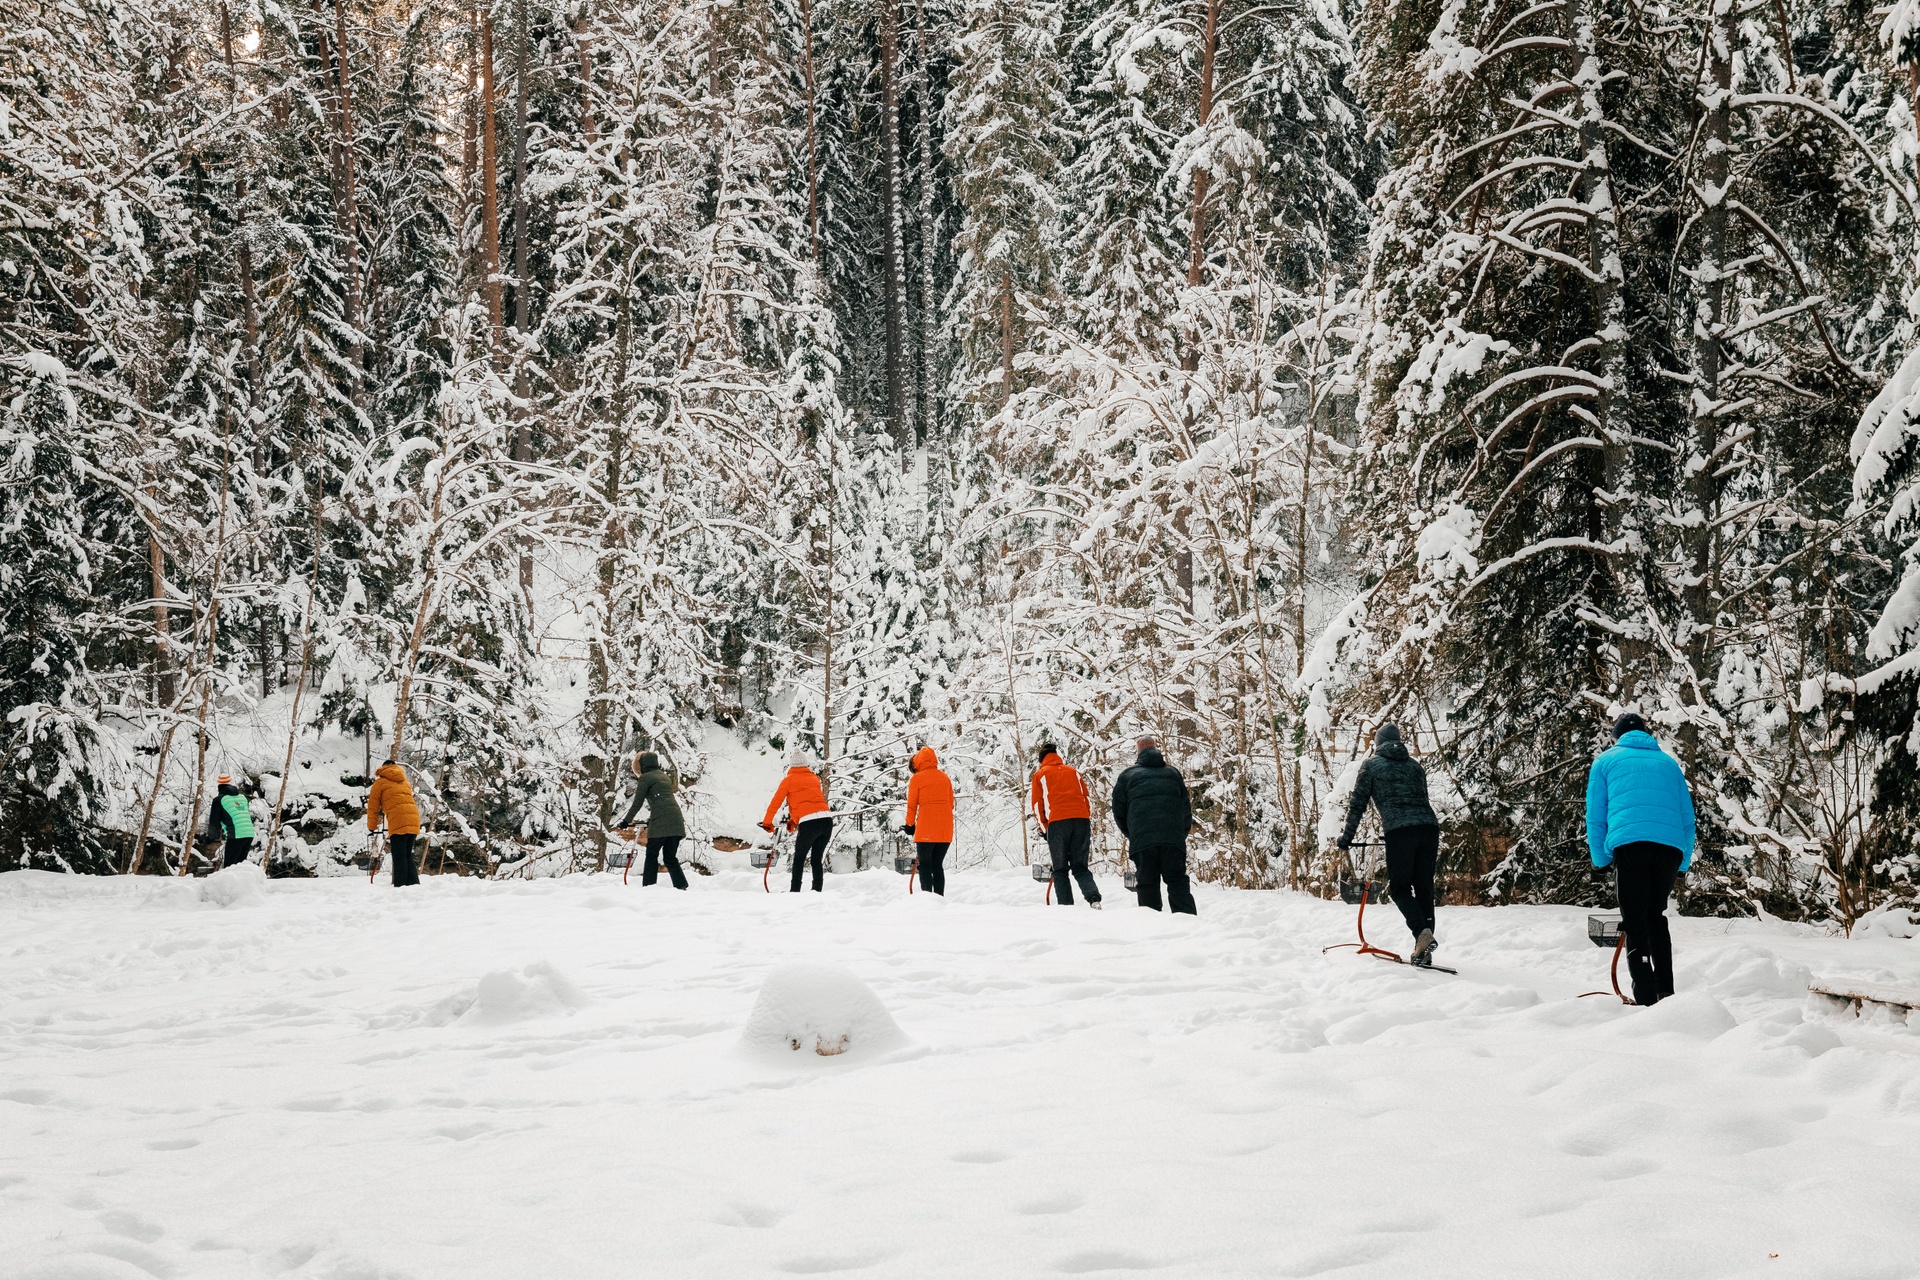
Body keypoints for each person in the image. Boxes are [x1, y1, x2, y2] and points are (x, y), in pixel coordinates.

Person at [1586, 712, 1696, 1006]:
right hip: (1669, 849)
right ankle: (1666, 992)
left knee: (1634, 921)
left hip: (1631, 845)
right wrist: (1682, 863)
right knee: (1655, 917)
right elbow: (1687, 819)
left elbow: (1596, 817)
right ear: (1646, 735)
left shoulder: (1605, 761)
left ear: (1616, 737)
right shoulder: (1669, 764)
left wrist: (1600, 859)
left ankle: (1646, 996)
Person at [1336, 723, 1442, 967]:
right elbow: (1421, 800)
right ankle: (1423, 949)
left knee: (1400, 889)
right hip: (1429, 828)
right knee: (1424, 888)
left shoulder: (1371, 766)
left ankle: (1422, 936)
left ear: (1378, 744)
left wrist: (1347, 838)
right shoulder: (1416, 767)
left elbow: (1357, 805)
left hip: (1400, 831)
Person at [1111, 736, 1195, 915]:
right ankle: (1189, 925)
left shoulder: (1127, 776)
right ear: (1157, 749)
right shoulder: (1173, 773)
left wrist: (1133, 834)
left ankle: (1153, 927)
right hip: (1173, 839)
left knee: (1147, 884)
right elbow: (1186, 809)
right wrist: (1180, 834)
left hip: (1143, 840)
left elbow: (1119, 812)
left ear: (1138, 752)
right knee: (1177, 881)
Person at [1031, 744, 1100, 908]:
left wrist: (1045, 829)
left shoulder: (1040, 775)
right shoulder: (1073, 772)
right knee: (1080, 867)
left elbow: (1036, 806)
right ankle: (1094, 899)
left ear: (1042, 759)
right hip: (1081, 820)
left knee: (1060, 869)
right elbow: (1087, 799)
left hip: (1058, 823)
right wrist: (1084, 817)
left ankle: (1066, 907)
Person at [762, 747, 832, 892]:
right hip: (826, 820)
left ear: (791, 766)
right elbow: (809, 803)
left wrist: (767, 823)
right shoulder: (814, 778)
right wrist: (793, 822)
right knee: (816, 860)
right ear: (806, 764)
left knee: (799, 859)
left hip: (809, 824)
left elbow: (775, 803)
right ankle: (817, 891)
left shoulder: (788, 780)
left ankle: (794, 892)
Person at [617, 751, 689, 889]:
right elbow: (663, 802)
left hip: (662, 821)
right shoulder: (664, 777)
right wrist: (651, 819)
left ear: (641, 765)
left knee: (651, 855)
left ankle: (649, 888)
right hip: (676, 820)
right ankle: (682, 887)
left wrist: (626, 821)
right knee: (670, 857)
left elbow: (637, 803)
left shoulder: (645, 778)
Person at [902, 746, 954, 895]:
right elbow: (951, 804)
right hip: (945, 831)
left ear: (916, 764)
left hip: (926, 831)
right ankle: (939, 898)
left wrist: (909, 825)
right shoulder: (945, 777)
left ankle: (928, 900)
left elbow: (912, 805)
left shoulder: (916, 779)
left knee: (925, 865)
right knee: (937, 865)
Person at [367, 760, 422, 887]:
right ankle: (414, 885)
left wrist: (372, 826)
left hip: (398, 821)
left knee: (399, 857)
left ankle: (400, 886)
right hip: (413, 820)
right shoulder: (404, 781)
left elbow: (373, 807)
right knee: (407, 855)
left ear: (383, 768)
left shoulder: (380, 783)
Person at [203, 774, 255, 868]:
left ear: (219, 785)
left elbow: (214, 822)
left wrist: (210, 838)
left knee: (230, 867)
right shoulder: (243, 798)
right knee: (240, 866)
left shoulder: (219, 800)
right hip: (249, 833)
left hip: (236, 834)